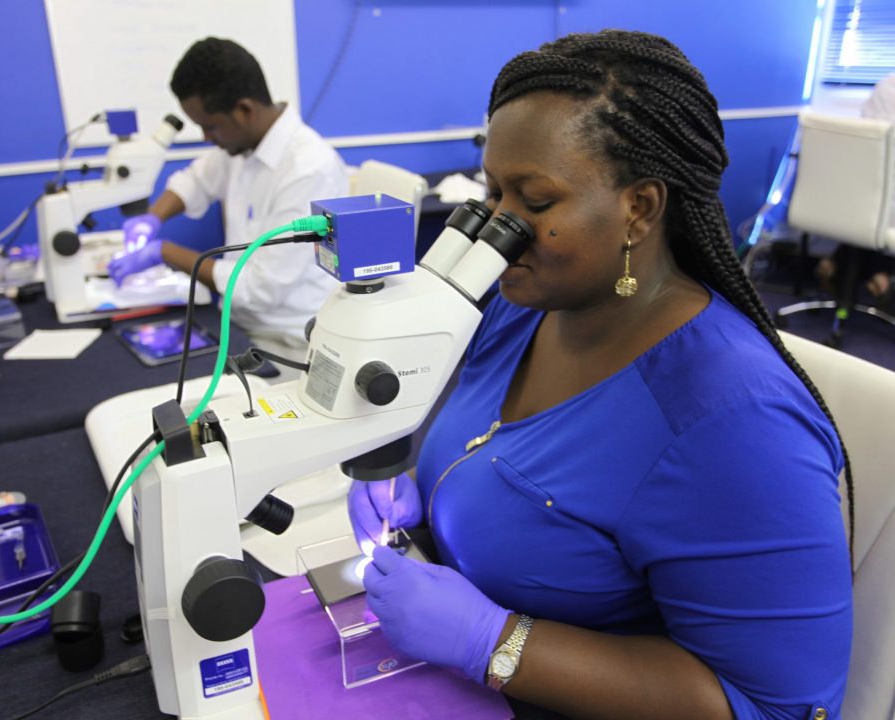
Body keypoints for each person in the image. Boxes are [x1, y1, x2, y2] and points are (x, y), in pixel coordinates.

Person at [348, 30, 853, 719]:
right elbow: (497, 452)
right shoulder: (523, 308)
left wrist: (494, 642)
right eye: (493, 192)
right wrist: (416, 497)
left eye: (535, 201)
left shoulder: (735, 421)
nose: (498, 228)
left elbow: (777, 707)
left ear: (638, 208)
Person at [107, 38, 349, 377]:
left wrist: (165, 252)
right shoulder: (242, 146)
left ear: (244, 110)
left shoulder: (308, 169)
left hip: (287, 344)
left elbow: (260, 290)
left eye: (210, 126)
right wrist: (152, 218)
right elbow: (195, 181)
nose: (206, 137)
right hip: (237, 322)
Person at [815, 71, 895, 302]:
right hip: (880, 200)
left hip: (859, 193)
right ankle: (879, 274)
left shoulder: (887, 84)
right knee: (879, 220)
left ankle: (839, 264)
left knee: (868, 218)